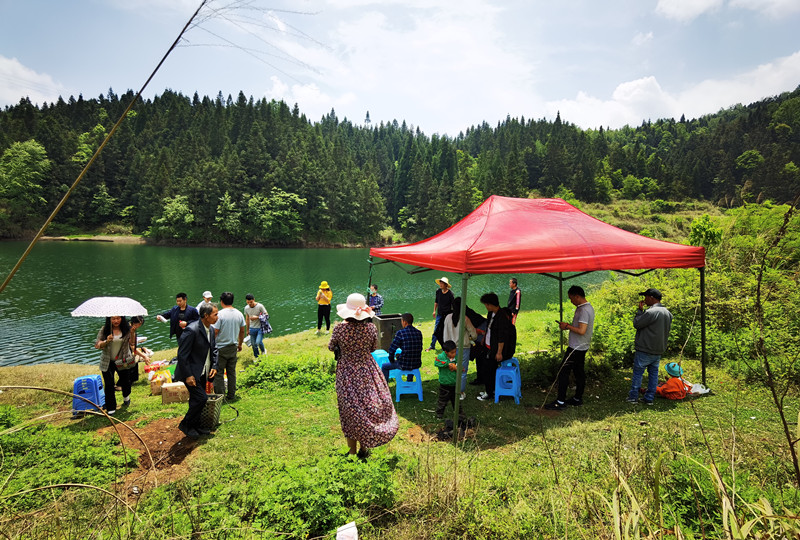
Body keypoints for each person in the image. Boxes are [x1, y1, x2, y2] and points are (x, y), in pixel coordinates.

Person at [328, 293, 398, 458]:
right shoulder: (371, 328)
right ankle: (364, 448)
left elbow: (331, 347)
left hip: (347, 373)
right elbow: (373, 348)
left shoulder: (339, 329)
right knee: (367, 406)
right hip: (367, 371)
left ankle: (352, 451)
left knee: (349, 410)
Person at [545, 285, 595, 410]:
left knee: (563, 372)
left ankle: (560, 402)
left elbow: (582, 330)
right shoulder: (587, 307)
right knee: (578, 372)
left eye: (571, 298)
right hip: (581, 346)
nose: (571, 301)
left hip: (576, 348)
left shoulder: (584, 310)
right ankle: (577, 398)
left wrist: (567, 326)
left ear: (577, 296)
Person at [174, 304, 219, 439]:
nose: (217, 317)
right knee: (201, 398)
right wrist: (188, 375)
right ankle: (185, 424)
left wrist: (214, 366)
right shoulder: (191, 330)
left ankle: (196, 425)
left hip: (204, 370)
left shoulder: (211, 329)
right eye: (215, 314)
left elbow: (214, 349)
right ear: (206, 316)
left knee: (196, 399)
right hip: (191, 372)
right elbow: (182, 355)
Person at [627, 288, 673, 405]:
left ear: (651, 298)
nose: (644, 299)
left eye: (646, 297)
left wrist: (640, 311)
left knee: (638, 373)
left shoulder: (651, 312)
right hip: (658, 349)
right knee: (653, 375)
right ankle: (649, 398)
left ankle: (633, 397)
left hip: (645, 348)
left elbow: (637, 324)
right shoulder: (668, 313)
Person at [477, 293, 516, 402]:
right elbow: (489, 329)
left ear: (490, 304)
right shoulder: (491, 314)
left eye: (486, 304)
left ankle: (489, 393)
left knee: (488, 370)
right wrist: (484, 337)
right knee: (486, 367)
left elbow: (501, 337)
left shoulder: (501, 317)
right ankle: (491, 389)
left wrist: (499, 352)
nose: (486, 306)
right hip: (488, 345)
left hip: (495, 348)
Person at [95, 315, 135, 416]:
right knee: (109, 384)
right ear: (109, 319)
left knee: (126, 382)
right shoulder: (104, 330)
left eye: (118, 318)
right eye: (113, 319)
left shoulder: (127, 329)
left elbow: (132, 343)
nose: (116, 321)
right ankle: (111, 407)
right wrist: (106, 341)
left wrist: (132, 333)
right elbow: (97, 345)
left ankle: (126, 396)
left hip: (123, 360)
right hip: (107, 361)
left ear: (122, 318)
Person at [212, 291, 246, 401]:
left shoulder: (220, 314)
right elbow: (242, 331)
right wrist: (240, 344)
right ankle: (231, 395)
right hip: (233, 346)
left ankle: (221, 397)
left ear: (222, 301)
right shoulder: (239, 314)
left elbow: (215, 331)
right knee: (231, 372)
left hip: (220, 347)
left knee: (219, 373)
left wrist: (211, 345)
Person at [441, 297, 477, 400]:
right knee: (462, 371)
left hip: (449, 348)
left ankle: (451, 390)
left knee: (451, 370)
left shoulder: (447, 318)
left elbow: (445, 333)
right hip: (463, 348)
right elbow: (474, 334)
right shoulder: (465, 319)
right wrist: (470, 338)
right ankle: (460, 392)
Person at [382, 312, 423, 382]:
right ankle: (409, 381)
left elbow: (392, 349)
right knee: (410, 357)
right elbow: (420, 348)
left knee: (384, 366)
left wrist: (392, 360)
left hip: (404, 364)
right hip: (416, 363)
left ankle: (385, 385)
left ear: (404, 322)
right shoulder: (419, 332)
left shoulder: (400, 333)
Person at [434, 341, 464, 420]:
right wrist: (448, 364)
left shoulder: (456, 358)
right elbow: (436, 362)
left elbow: (461, 368)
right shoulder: (441, 357)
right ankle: (439, 414)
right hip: (445, 384)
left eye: (455, 352)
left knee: (456, 400)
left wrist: (458, 368)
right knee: (442, 400)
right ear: (446, 352)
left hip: (454, 383)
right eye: (452, 353)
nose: (454, 354)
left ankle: (459, 414)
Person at [427, 277, 454, 351]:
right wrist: (434, 311)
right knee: (436, 329)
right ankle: (432, 345)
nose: (440, 284)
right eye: (440, 283)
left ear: (446, 285)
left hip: (447, 315)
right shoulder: (438, 291)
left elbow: (453, 305)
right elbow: (436, 302)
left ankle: (445, 346)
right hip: (439, 314)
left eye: (442, 283)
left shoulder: (450, 294)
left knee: (446, 331)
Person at [244, 293, 268, 358]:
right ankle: (256, 357)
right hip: (252, 328)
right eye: (248, 302)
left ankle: (263, 351)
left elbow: (266, 315)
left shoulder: (260, 306)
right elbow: (247, 319)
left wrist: (257, 317)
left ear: (254, 300)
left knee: (258, 342)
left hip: (260, 327)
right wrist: (247, 330)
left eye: (251, 302)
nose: (249, 304)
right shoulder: (246, 308)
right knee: (253, 344)